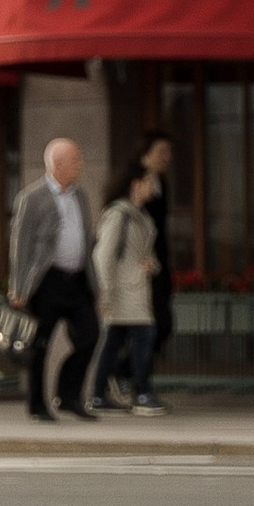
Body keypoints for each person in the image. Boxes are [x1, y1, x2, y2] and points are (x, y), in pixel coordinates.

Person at [6, 135, 100, 423]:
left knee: (90, 335)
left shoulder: (80, 196)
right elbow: (20, 245)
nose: (80, 164)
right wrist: (18, 287)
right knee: (40, 344)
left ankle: (68, 395)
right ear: (57, 164)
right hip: (46, 281)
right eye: (75, 160)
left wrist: (95, 284)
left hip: (77, 280)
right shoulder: (31, 198)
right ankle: (38, 405)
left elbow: (87, 240)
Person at [91, 165, 166, 415]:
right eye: (149, 182)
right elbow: (103, 255)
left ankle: (99, 395)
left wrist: (151, 264)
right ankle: (142, 393)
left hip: (136, 288)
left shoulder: (140, 215)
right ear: (136, 183)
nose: (153, 188)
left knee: (113, 342)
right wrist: (105, 292)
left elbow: (146, 252)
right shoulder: (119, 214)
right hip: (122, 290)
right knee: (144, 336)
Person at [140, 126, 177, 393]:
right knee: (146, 327)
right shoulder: (135, 182)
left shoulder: (162, 183)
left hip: (160, 263)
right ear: (146, 153)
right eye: (162, 151)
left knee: (163, 324)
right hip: (141, 266)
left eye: (169, 152)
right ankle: (133, 379)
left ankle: (134, 376)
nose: (167, 157)